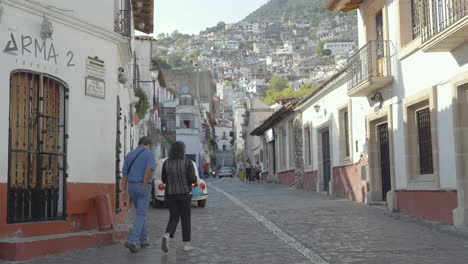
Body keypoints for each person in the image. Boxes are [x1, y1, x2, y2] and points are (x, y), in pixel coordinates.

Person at [161, 141, 198, 253]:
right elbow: (193, 179)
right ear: (182, 150)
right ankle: (187, 244)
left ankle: (167, 235)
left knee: (173, 217)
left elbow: (163, 180)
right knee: (185, 219)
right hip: (185, 194)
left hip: (171, 194)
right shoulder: (188, 162)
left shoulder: (166, 163)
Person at [122, 136, 155, 253]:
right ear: (148, 144)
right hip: (143, 186)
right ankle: (131, 241)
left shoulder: (129, 155)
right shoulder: (149, 154)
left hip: (131, 186)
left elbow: (124, 174)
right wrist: (145, 184)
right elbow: (149, 169)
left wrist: (124, 191)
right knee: (141, 214)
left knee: (141, 212)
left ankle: (144, 240)